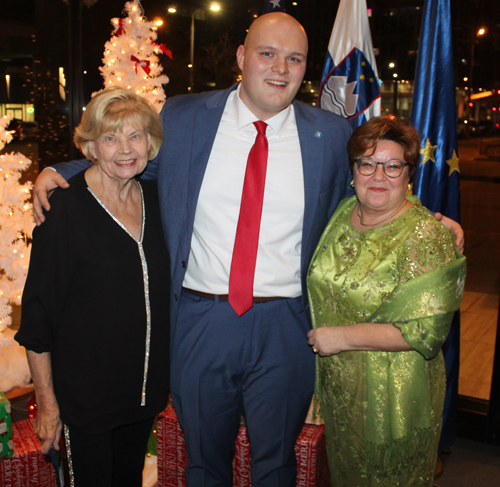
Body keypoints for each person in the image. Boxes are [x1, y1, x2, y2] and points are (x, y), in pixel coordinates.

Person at [31, 13, 463, 487]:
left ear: (305, 69)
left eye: (294, 59)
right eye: (267, 53)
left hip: (285, 329)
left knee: (277, 465)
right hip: (201, 321)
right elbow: (130, 160)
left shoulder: (329, 134)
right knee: (203, 463)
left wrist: (427, 220)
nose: (280, 68)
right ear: (242, 58)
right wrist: (61, 171)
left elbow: (369, 187)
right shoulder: (183, 117)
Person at [16, 87, 170, 487]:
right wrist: (48, 404)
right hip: (87, 402)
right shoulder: (64, 211)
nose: (125, 149)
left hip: (141, 395)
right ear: (91, 146)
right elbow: (37, 319)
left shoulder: (157, 199)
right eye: (110, 137)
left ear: (150, 142)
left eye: (135, 135)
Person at [306, 116, 466, 487]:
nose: (379, 176)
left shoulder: (426, 235)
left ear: (409, 174)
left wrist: (342, 337)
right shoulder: (342, 213)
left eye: (393, 166)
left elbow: (426, 333)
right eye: (368, 164)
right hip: (341, 388)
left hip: (393, 395)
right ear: (353, 171)